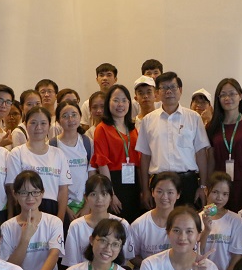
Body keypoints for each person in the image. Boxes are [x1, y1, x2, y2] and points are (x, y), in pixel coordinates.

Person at [137, 71, 210, 209]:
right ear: (157, 93)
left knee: (187, 219)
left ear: (180, 90)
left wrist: (203, 186)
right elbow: (145, 157)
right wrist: (145, 189)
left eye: (172, 87)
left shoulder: (194, 118)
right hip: (159, 182)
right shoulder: (148, 120)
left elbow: (201, 154)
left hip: (187, 182)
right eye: (164, 88)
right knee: (161, 220)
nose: (168, 91)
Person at [206, 78, 242, 212]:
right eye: (223, 95)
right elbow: (211, 161)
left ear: (240, 96)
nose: (227, 98)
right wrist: (208, 187)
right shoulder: (212, 127)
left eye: (232, 94)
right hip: (220, 187)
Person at [6, 106, 71, 221]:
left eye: (43, 123)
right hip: (25, 207)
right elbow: (12, 187)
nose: (38, 127)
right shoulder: (17, 153)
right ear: (26, 125)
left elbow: (63, 190)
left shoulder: (58, 154)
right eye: (33, 123)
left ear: (49, 126)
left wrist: (60, 219)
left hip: (53, 209)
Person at [91, 84, 141, 224]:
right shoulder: (102, 128)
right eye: (116, 100)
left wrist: (144, 190)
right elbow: (102, 163)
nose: (120, 104)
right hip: (114, 181)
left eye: (124, 100)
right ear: (108, 103)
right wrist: (111, 194)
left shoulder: (133, 129)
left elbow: (139, 160)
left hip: (134, 181)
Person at [62, 175, 133, 269]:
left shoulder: (122, 224)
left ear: (111, 197)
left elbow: (125, 260)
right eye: (93, 194)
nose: (99, 199)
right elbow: (72, 263)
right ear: (86, 198)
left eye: (104, 194)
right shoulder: (76, 226)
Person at [51, 100, 95, 225]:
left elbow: (92, 176)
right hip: (61, 206)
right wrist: (65, 208)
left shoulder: (87, 142)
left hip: (85, 204)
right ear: (58, 120)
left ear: (80, 116)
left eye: (74, 114)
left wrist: (87, 206)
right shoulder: (52, 145)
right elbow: (53, 181)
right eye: (65, 116)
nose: (70, 119)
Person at [128, 172, 181, 270]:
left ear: (178, 194)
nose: (164, 197)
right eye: (159, 191)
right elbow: (132, 256)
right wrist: (152, 267)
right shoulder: (139, 224)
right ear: (152, 192)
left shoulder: (185, 223)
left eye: (170, 192)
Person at [81, 63, 118, 130]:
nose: (105, 78)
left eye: (109, 75)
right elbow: (84, 129)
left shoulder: (119, 104)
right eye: (101, 75)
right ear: (97, 79)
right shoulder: (87, 104)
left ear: (115, 79)